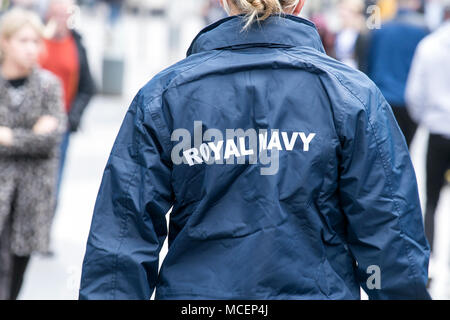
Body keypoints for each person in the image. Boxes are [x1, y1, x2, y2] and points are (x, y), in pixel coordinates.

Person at [79, 0, 430, 300]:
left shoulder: (164, 96)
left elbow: (119, 250)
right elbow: (390, 245)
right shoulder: (353, 97)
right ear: (300, 3)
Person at [0, 8, 66, 300]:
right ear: (5, 41)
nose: (31, 49)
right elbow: (38, 138)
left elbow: (50, 140)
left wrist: (9, 136)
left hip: (31, 197)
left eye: (36, 42)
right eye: (23, 41)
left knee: (16, 274)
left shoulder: (48, 85)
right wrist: (31, 136)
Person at [405, 0, 450, 261]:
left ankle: (429, 261)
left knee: (431, 200)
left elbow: (414, 94)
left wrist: (426, 118)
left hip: (437, 131)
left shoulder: (429, 46)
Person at [39, 0, 95, 206]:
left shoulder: (76, 44)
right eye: (56, 14)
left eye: (65, 15)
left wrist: (72, 118)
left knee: (53, 187)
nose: (61, 20)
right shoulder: (37, 41)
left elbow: (88, 86)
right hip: (32, 122)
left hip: (60, 125)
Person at [366, 0, 429, 147]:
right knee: (405, 151)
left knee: (383, 151)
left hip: (382, 98)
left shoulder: (380, 30)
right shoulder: (423, 32)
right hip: (409, 102)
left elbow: (369, 64)